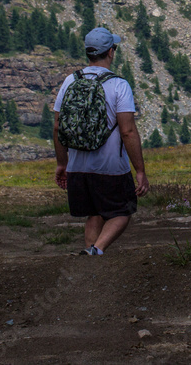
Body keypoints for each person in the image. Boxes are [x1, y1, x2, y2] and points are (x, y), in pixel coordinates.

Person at [53, 27, 149, 255]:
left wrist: (62, 163)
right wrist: (140, 171)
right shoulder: (119, 85)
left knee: (94, 213)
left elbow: (57, 126)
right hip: (110, 168)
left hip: (77, 166)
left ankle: (90, 262)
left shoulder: (69, 81)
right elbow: (128, 131)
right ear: (111, 52)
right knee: (122, 211)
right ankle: (97, 249)